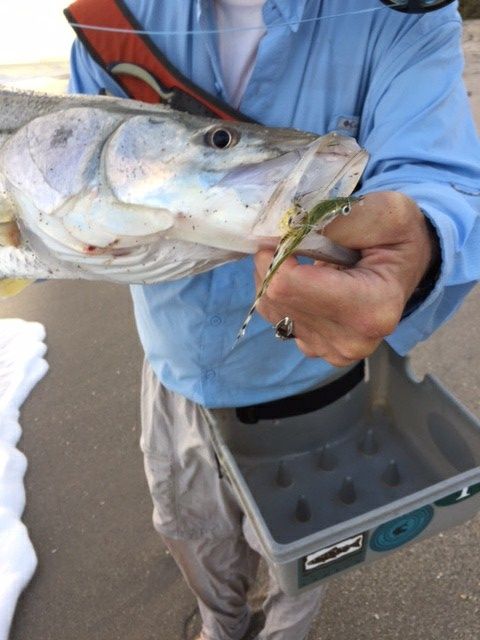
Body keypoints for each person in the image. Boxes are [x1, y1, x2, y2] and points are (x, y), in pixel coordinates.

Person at [66, 1, 480, 639]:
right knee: (186, 527)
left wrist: (417, 246)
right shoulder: (112, 13)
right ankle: (220, 624)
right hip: (174, 369)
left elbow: (440, 178)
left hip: (311, 377)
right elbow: (67, 172)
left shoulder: (405, 14)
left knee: (305, 552)